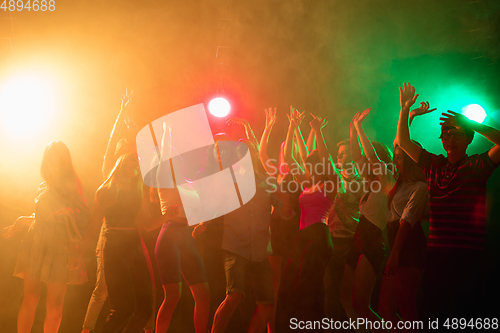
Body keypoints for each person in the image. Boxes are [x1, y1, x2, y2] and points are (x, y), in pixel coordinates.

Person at [395, 83, 500, 328]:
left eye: (457, 133)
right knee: (429, 315)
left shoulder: (477, 165)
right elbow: (402, 142)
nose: (450, 138)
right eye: (446, 134)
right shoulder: (434, 165)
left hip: (464, 258)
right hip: (434, 256)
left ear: (468, 139)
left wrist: (472, 123)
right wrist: (404, 110)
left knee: (461, 318)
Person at [73, 153, 178, 333]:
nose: (136, 164)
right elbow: (93, 226)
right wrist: (78, 252)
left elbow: (146, 223)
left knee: (145, 309)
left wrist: (167, 217)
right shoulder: (105, 191)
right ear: (121, 163)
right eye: (132, 160)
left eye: (138, 163)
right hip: (114, 247)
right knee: (123, 309)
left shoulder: (138, 192)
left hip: (133, 247)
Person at [81, 91, 157, 333]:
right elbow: (94, 223)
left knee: (144, 297)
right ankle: (86, 329)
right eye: (127, 153)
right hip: (110, 235)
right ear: (118, 159)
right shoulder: (109, 180)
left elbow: (144, 222)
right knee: (103, 291)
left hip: (131, 237)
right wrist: (120, 115)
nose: (132, 158)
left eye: (136, 157)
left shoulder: (137, 187)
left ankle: (142, 328)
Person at [209, 138, 294, 333]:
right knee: (234, 296)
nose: (246, 155)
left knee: (266, 305)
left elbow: (287, 215)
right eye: (241, 152)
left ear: (255, 154)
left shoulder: (268, 181)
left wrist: (286, 199)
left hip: (260, 251)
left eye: (250, 151)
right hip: (235, 247)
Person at [4, 141, 90, 333]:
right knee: (30, 298)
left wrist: (70, 213)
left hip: (60, 246)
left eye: (57, 159)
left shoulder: (71, 183)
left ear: (65, 161)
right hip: (35, 242)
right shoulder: (43, 186)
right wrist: (21, 220)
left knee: (55, 307)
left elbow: (85, 215)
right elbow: (43, 217)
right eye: (49, 159)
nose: (53, 163)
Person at [278, 109, 338, 332]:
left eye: (314, 165)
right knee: (298, 289)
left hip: (318, 236)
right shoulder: (308, 183)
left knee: (308, 290)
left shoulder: (330, 183)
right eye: (309, 166)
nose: (309, 168)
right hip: (304, 238)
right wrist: (292, 126)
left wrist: (316, 131)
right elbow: (292, 159)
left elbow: (326, 158)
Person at [340, 108, 396, 333]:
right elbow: (357, 156)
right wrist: (353, 128)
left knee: (360, 304)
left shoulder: (387, 177)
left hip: (372, 240)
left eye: (370, 158)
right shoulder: (371, 181)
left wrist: (360, 128)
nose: (364, 161)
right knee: (345, 298)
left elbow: (369, 156)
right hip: (359, 237)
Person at [154, 123, 211, 333]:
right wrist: (167, 133)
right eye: (173, 159)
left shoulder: (189, 183)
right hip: (169, 235)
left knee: (203, 295)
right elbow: (164, 156)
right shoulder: (165, 181)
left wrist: (202, 224)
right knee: (173, 296)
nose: (177, 160)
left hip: (187, 237)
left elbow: (202, 208)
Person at [377, 141, 429, 333]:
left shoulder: (420, 187)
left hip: (408, 244)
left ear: (408, 160)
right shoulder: (399, 184)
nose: (394, 160)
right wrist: (409, 116)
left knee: (406, 306)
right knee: (385, 308)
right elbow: (399, 141)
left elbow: (406, 222)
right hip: (395, 241)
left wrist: (395, 254)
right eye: (395, 156)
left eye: (398, 157)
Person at [324, 139, 363, 332]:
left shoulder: (362, 181)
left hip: (352, 243)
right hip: (331, 242)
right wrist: (315, 131)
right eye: (338, 153)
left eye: (344, 152)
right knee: (330, 293)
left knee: (351, 298)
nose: (339, 156)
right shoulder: (334, 178)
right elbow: (320, 156)